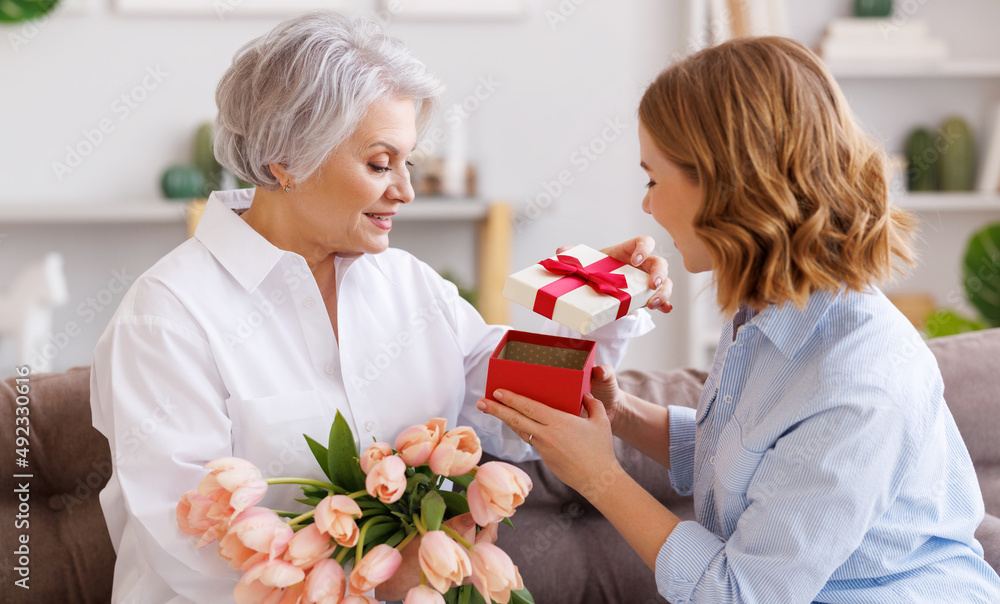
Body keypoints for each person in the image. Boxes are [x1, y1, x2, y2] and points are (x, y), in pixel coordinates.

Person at [88, 12, 671, 604]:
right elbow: (193, 548)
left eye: (408, 162)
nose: (406, 191)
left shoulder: (410, 285)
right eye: (378, 163)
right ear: (285, 160)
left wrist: (598, 298)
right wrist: (387, 577)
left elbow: (511, 411)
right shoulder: (166, 317)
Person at [479, 36, 1000, 603]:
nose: (647, 206)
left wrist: (600, 478)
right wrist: (620, 413)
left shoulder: (857, 384)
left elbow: (737, 593)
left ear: (724, 185)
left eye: (654, 179)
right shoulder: (770, 312)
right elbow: (744, 457)